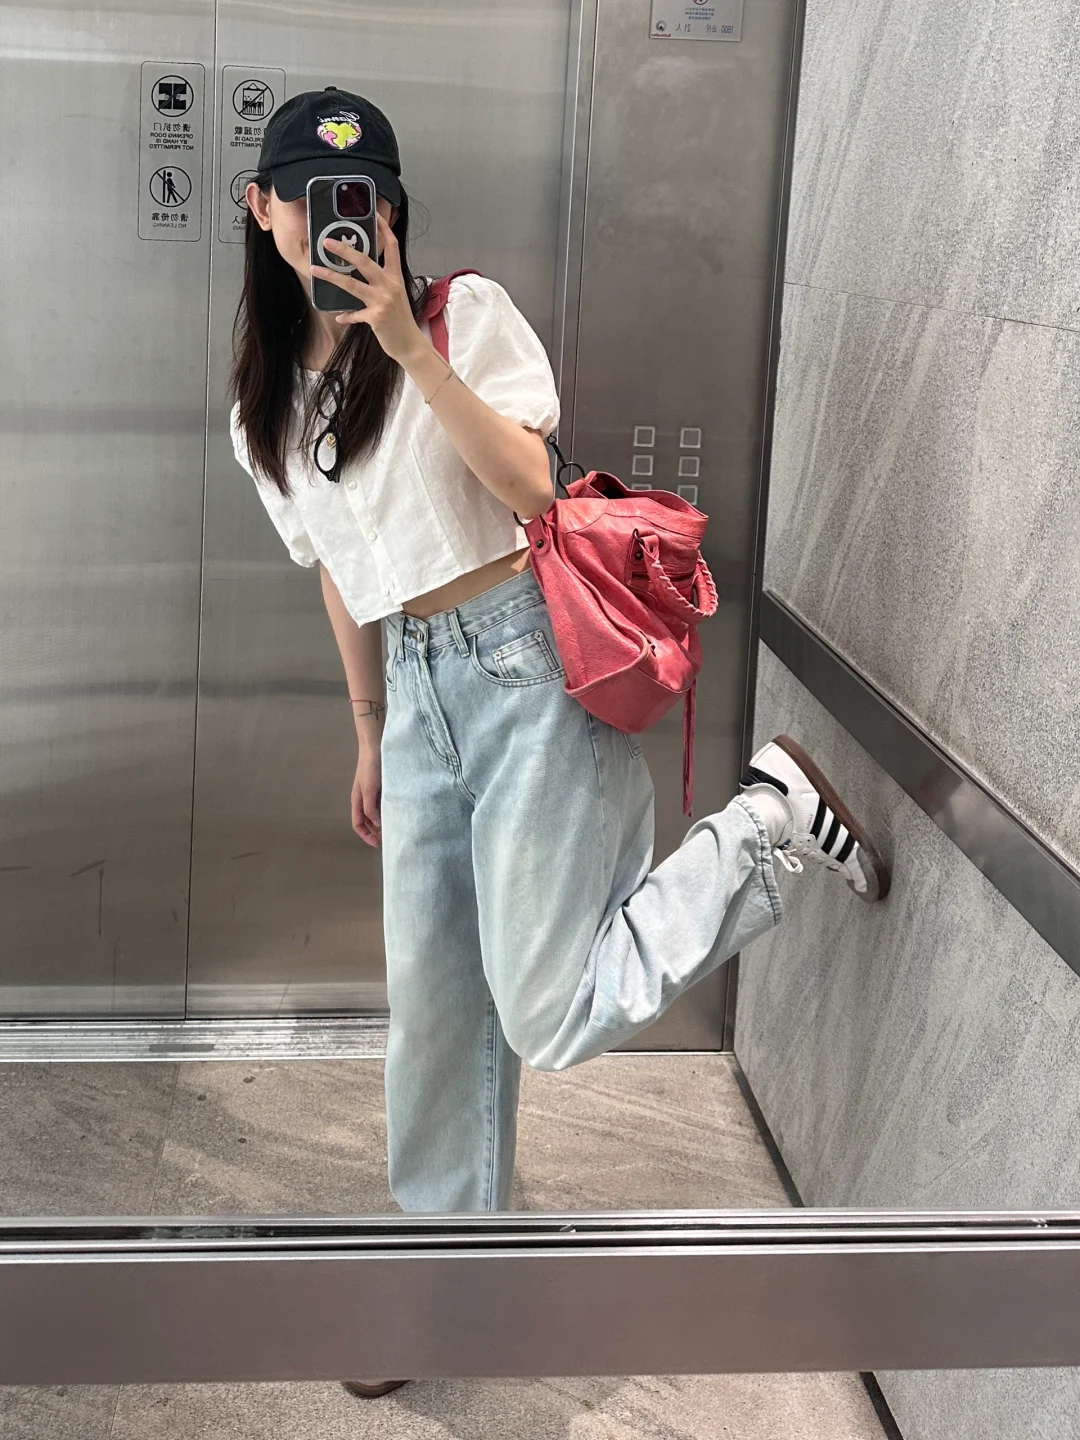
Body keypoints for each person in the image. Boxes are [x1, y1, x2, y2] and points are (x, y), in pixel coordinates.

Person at [229, 85, 891, 1397]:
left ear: (394, 213)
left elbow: (531, 487)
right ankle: (443, 1283)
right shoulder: (262, 400)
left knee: (543, 1008)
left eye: (364, 201)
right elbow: (339, 570)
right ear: (262, 208)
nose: (335, 222)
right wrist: (368, 729)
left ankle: (760, 825)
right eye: (308, 198)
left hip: (524, 668)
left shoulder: (460, 317)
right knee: (436, 1011)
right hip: (415, 690)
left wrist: (407, 346)